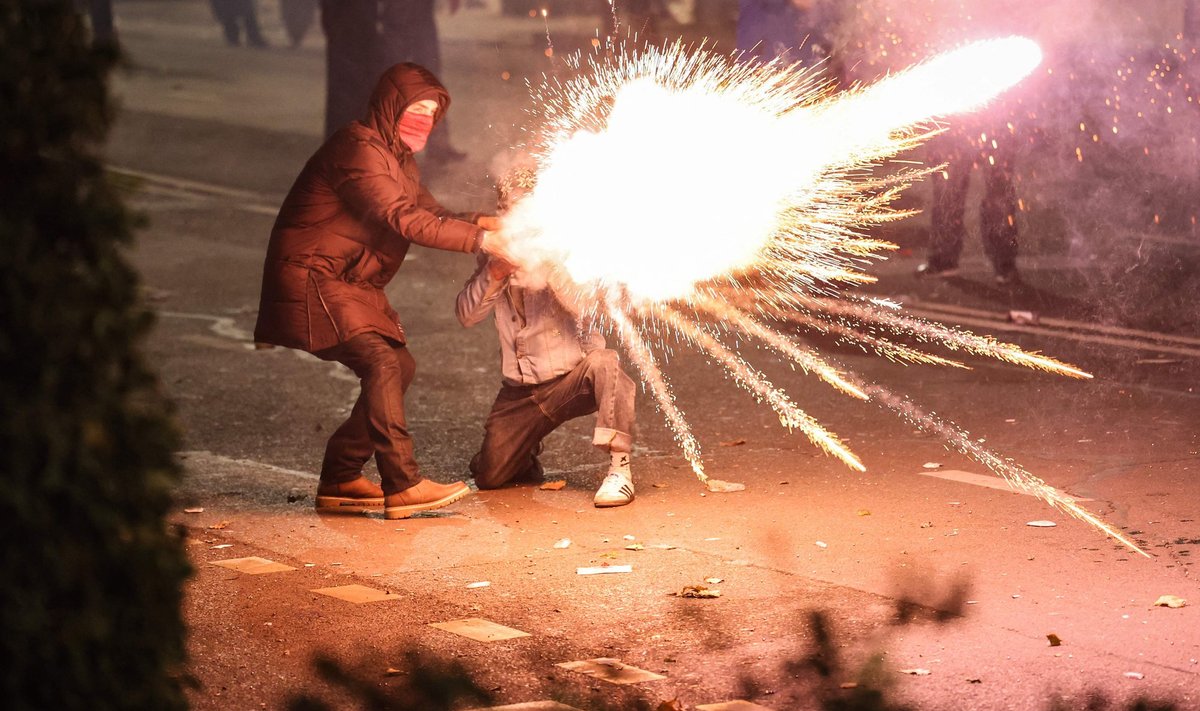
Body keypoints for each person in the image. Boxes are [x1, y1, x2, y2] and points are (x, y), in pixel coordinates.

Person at [254, 64, 501, 519]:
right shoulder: (357, 149)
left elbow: (430, 211)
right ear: (390, 106)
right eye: (415, 109)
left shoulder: (397, 159)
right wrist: (482, 241)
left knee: (398, 366)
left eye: (431, 112)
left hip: (344, 279)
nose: (424, 120)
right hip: (311, 276)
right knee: (381, 360)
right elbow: (403, 218)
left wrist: (483, 221)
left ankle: (341, 477)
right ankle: (402, 484)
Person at [455, 169, 638, 508]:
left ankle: (619, 469)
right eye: (512, 209)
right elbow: (466, 315)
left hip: (573, 379)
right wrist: (496, 273)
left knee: (605, 363)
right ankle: (523, 452)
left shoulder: (570, 249)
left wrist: (550, 266)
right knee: (490, 476)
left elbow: (586, 304)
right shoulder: (492, 254)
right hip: (520, 392)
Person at [916, 119, 1022, 286]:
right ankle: (945, 260)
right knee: (948, 191)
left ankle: (1004, 264)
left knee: (998, 194)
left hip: (993, 120)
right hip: (956, 124)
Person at [378, 0, 467, 164]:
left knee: (429, 76)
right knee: (396, 79)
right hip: (398, 13)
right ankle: (388, 144)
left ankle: (438, 144)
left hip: (418, 12)